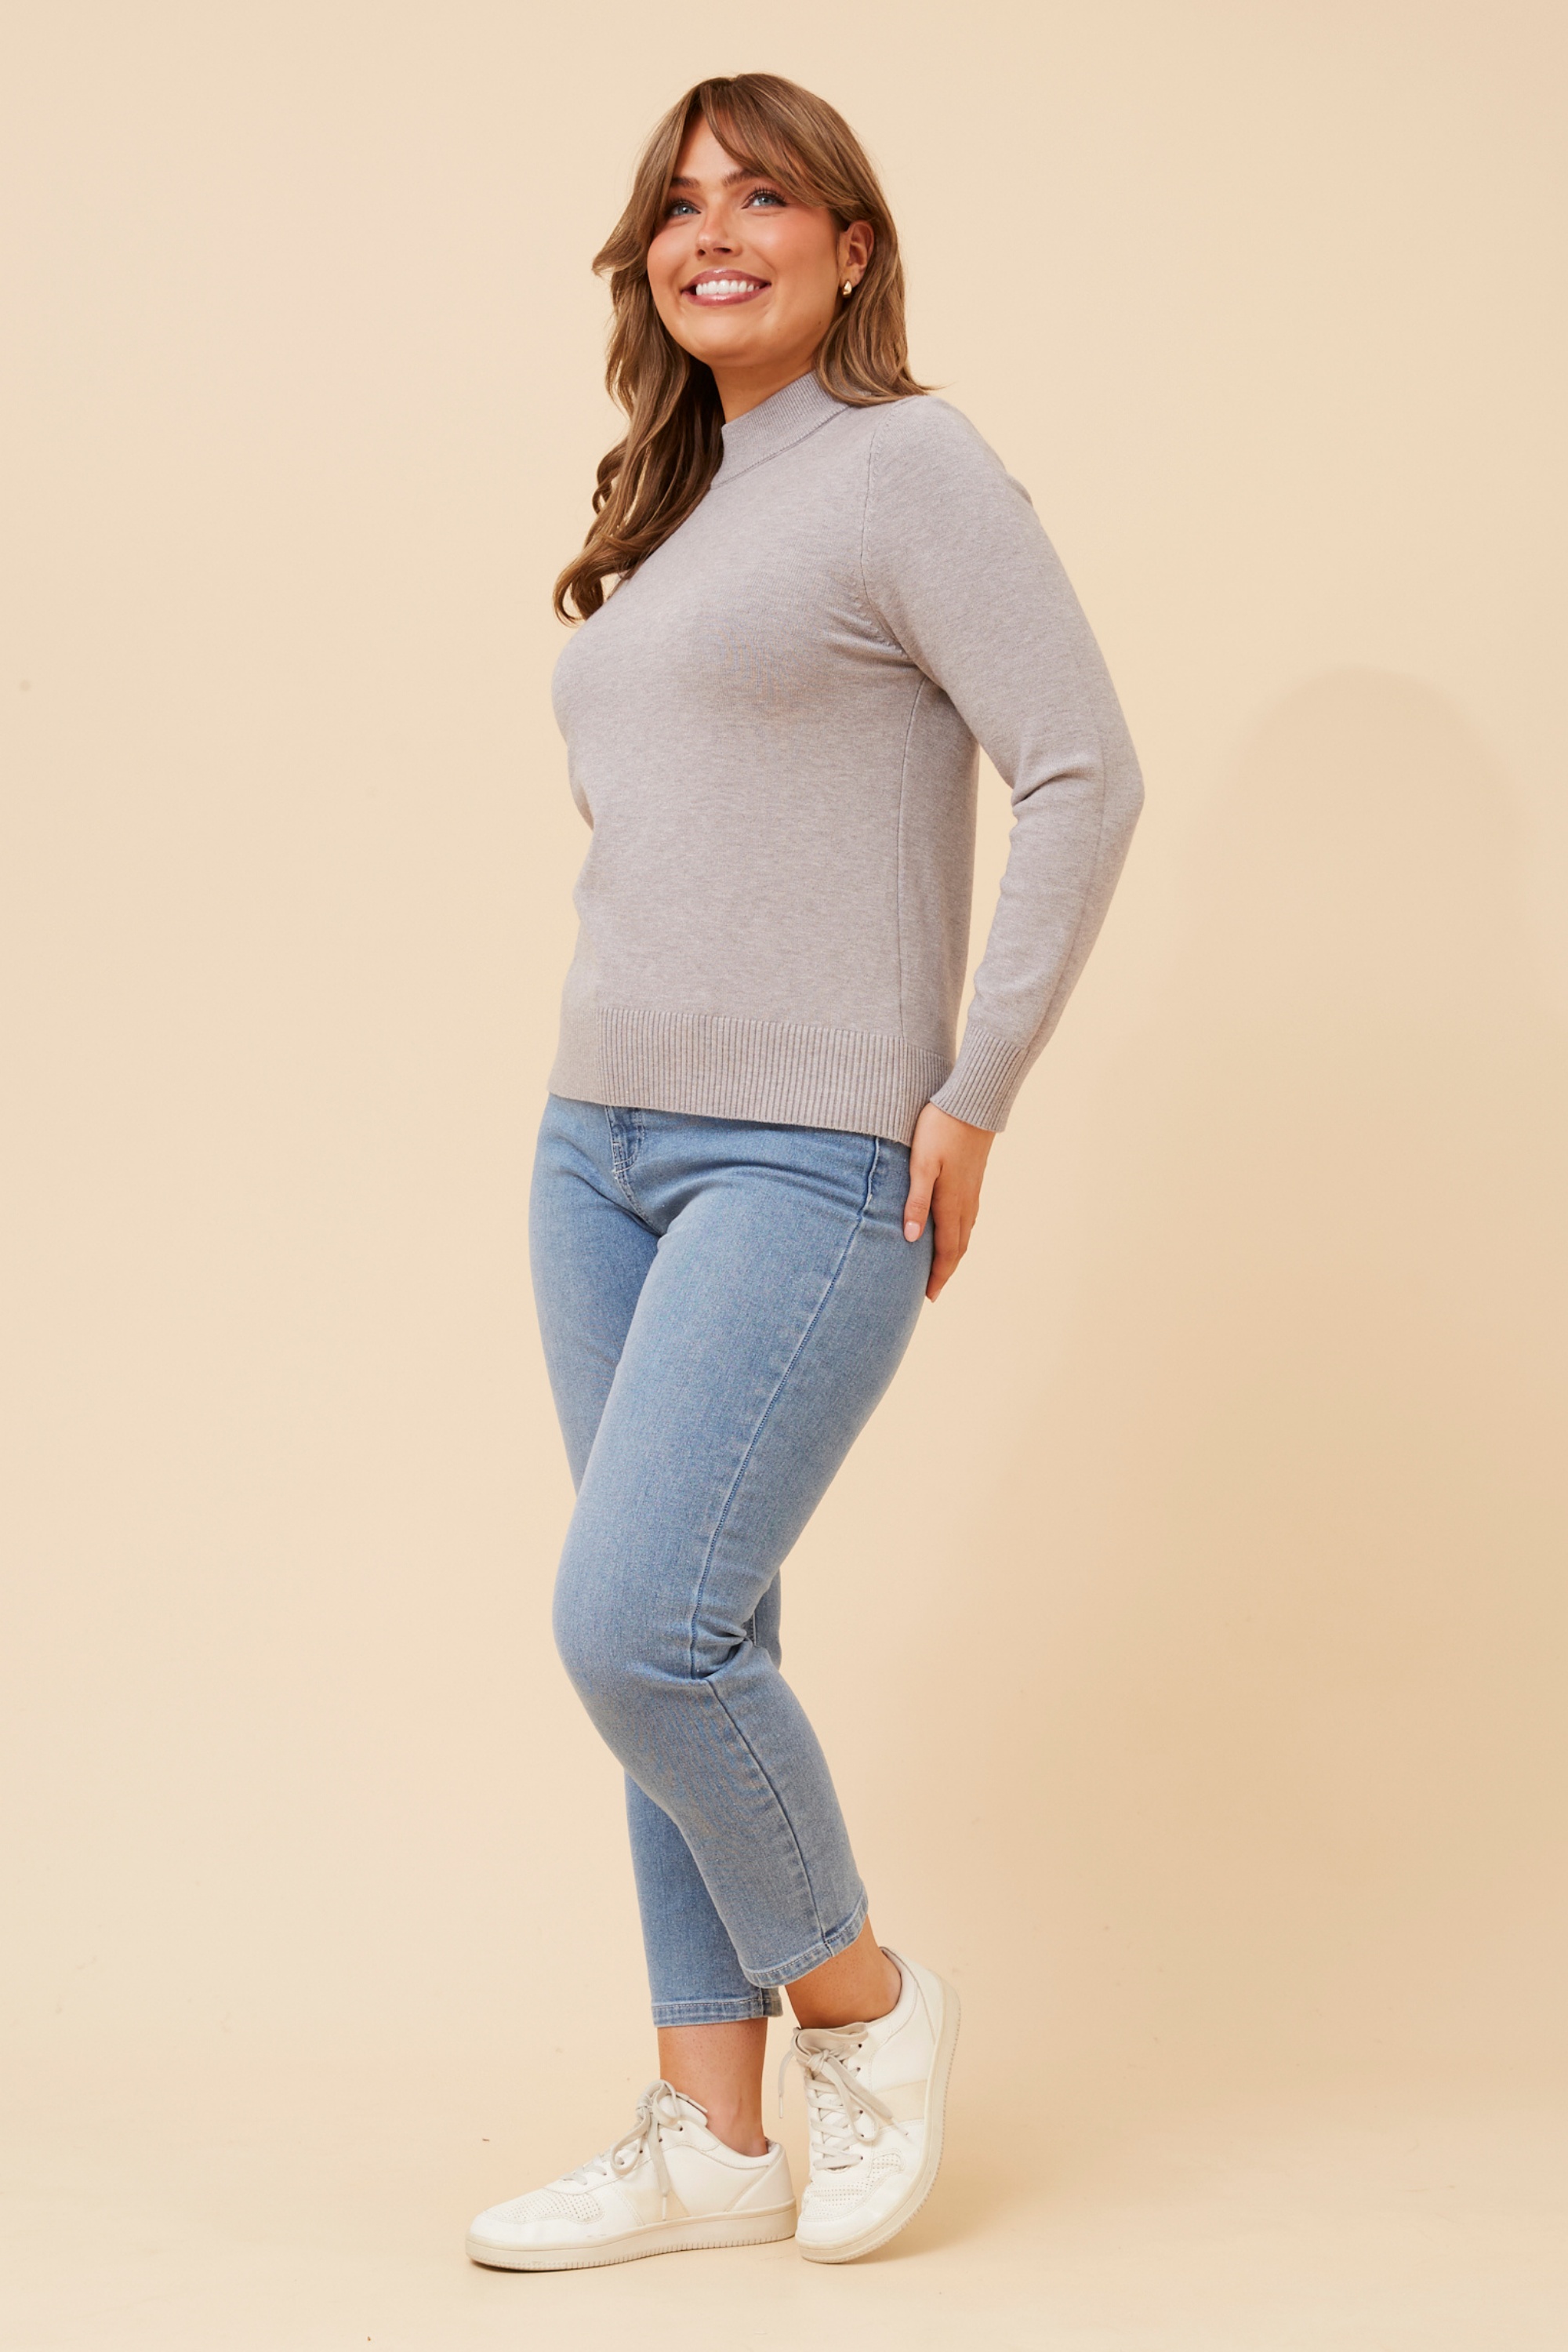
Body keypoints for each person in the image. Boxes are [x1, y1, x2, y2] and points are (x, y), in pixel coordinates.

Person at [466, 70, 1143, 2273]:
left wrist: (976, 1090)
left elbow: (1082, 768)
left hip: (812, 1149)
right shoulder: (676, 514)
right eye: (679, 205)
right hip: (597, 1144)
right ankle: (714, 2136)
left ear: (853, 247)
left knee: (637, 1625)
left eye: (764, 196)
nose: (713, 232)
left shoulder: (907, 467)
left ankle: (864, 2000)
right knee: (696, 1634)